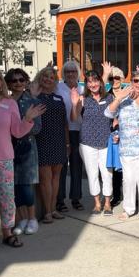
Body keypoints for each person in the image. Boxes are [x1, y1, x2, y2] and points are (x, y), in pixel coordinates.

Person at [0, 67, 44, 250]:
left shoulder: (9, 103)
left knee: (8, 199)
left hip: (6, 159)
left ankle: (7, 232)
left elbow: (17, 131)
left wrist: (28, 119)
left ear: (1, 82)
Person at [104, 69, 139, 220]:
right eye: (136, 81)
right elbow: (108, 114)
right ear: (131, 82)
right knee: (128, 178)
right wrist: (120, 97)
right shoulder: (123, 100)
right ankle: (128, 209)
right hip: (127, 147)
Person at [71, 70, 114, 215]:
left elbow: (116, 116)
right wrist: (74, 103)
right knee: (92, 173)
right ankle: (97, 203)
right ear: (87, 84)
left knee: (107, 173)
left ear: (101, 82)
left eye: (95, 81)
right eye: (89, 81)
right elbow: (74, 117)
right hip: (87, 142)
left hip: (106, 142)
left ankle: (107, 202)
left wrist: (115, 132)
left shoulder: (109, 97)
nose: (93, 84)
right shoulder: (84, 99)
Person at [5, 68, 42, 236]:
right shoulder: (4, 101)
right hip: (8, 146)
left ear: (26, 81)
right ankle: (21, 219)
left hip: (27, 147)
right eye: (14, 80)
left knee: (26, 185)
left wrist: (21, 126)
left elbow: (38, 127)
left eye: (21, 80)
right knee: (14, 186)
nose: (18, 83)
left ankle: (32, 218)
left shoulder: (32, 100)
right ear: (8, 84)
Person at [34, 67, 69, 223]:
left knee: (56, 177)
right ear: (40, 78)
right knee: (45, 178)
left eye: (51, 77)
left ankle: (53, 209)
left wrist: (67, 143)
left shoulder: (58, 98)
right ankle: (47, 212)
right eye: (45, 76)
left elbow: (65, 123)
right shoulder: (34, 97)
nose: (48, 79)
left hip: (59, 141)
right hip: (42, 140)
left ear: (55, 81)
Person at [56, 60, 84, 212]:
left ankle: (75, 198)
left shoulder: (82, 88)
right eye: (68, 71)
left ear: (78, 73)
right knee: (61, 168)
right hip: (61, 132)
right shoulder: (58, 87)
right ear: (63, 74)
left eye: (73, 71)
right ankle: (59, 199)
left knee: (76, 166)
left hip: (78, 131)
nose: (71, 74)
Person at [107, 66, 126, 207]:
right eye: (111, 78)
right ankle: (116, 195)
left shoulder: (128, 94)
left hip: (126, 133)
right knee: (114, 167)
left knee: (127, 166)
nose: (115, 81)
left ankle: (129, 195)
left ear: (122, 79)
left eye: (117, 78)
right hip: (111, 133)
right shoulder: (106, 95)